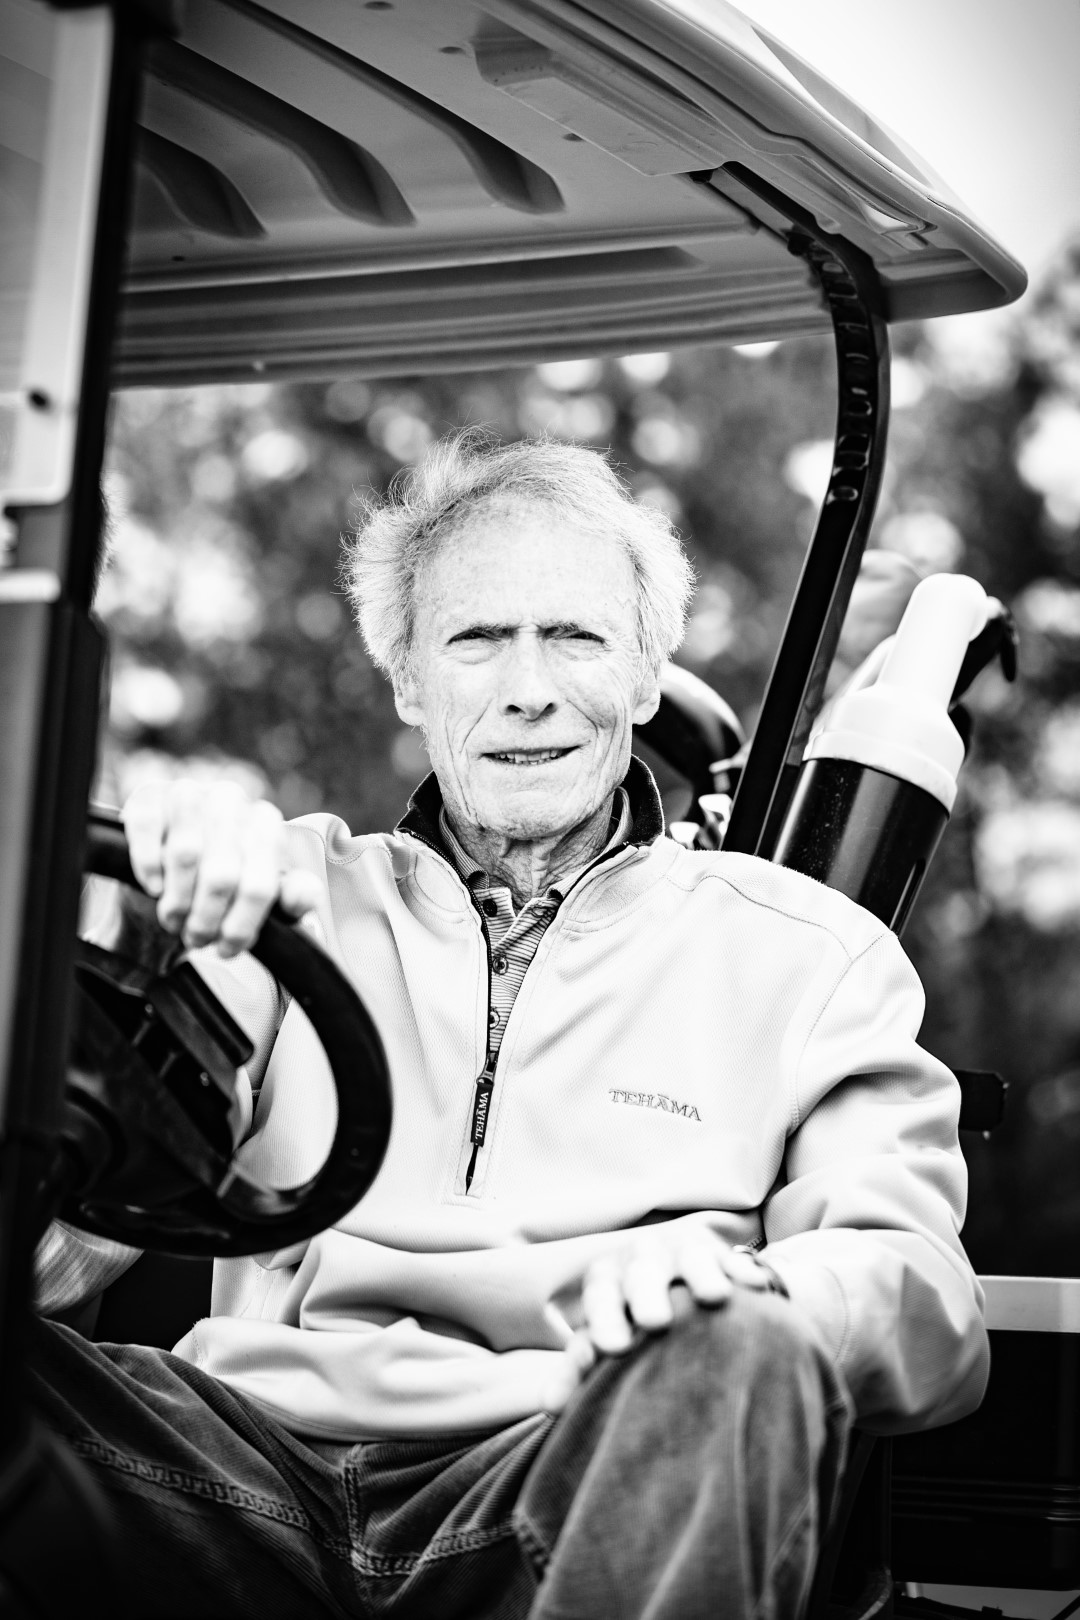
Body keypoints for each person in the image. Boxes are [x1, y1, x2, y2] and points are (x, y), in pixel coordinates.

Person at [33, 433, 988, 1620]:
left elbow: (925, 1303)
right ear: (408, 681)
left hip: (570, 1472)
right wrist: (136, 938)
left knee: (738, 1359)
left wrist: (758, 1298)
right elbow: (51, 1263)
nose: (528, 687)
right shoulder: (277, 897)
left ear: (644, 676)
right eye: (478, 638)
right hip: (237, 1471)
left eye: (574, 636)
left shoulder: (811, 955)